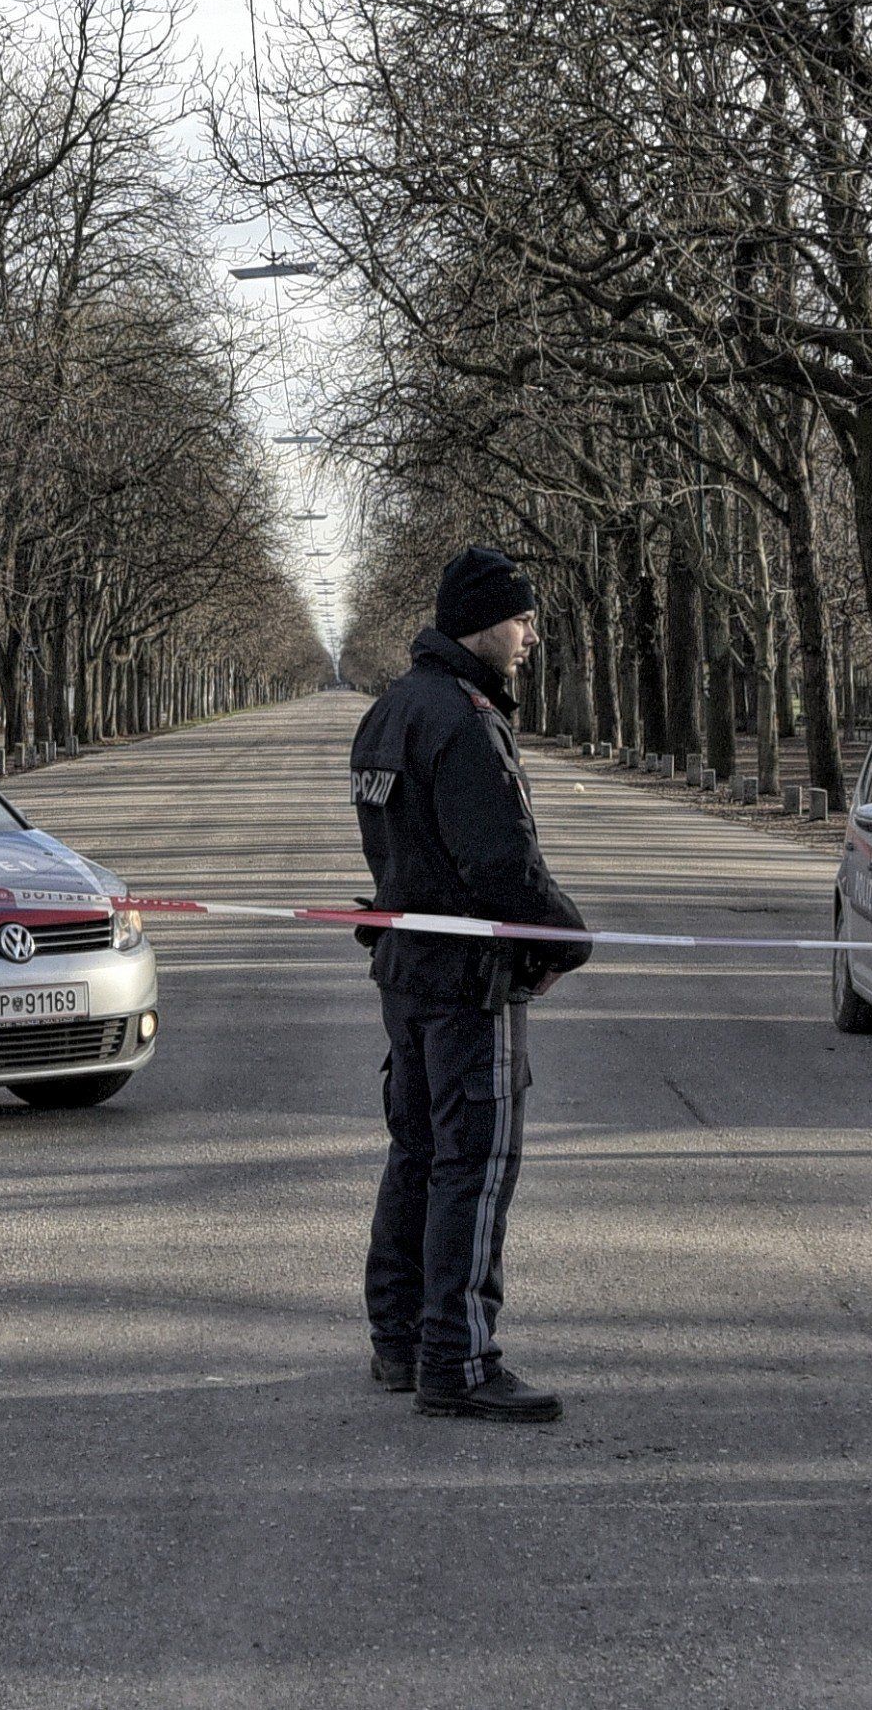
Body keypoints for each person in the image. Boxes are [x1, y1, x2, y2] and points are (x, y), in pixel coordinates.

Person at [351, 545, 591, 1422]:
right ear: (484, 621)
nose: (531, 636)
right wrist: (569, 939)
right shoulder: (462, 716)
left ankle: (401, 1339)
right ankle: (459, 1355)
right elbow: (501, 863)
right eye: (522, 619)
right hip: (467, 982)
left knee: (415, 1151)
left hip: (407, 973)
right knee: (477, 1163)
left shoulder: (389, 712)